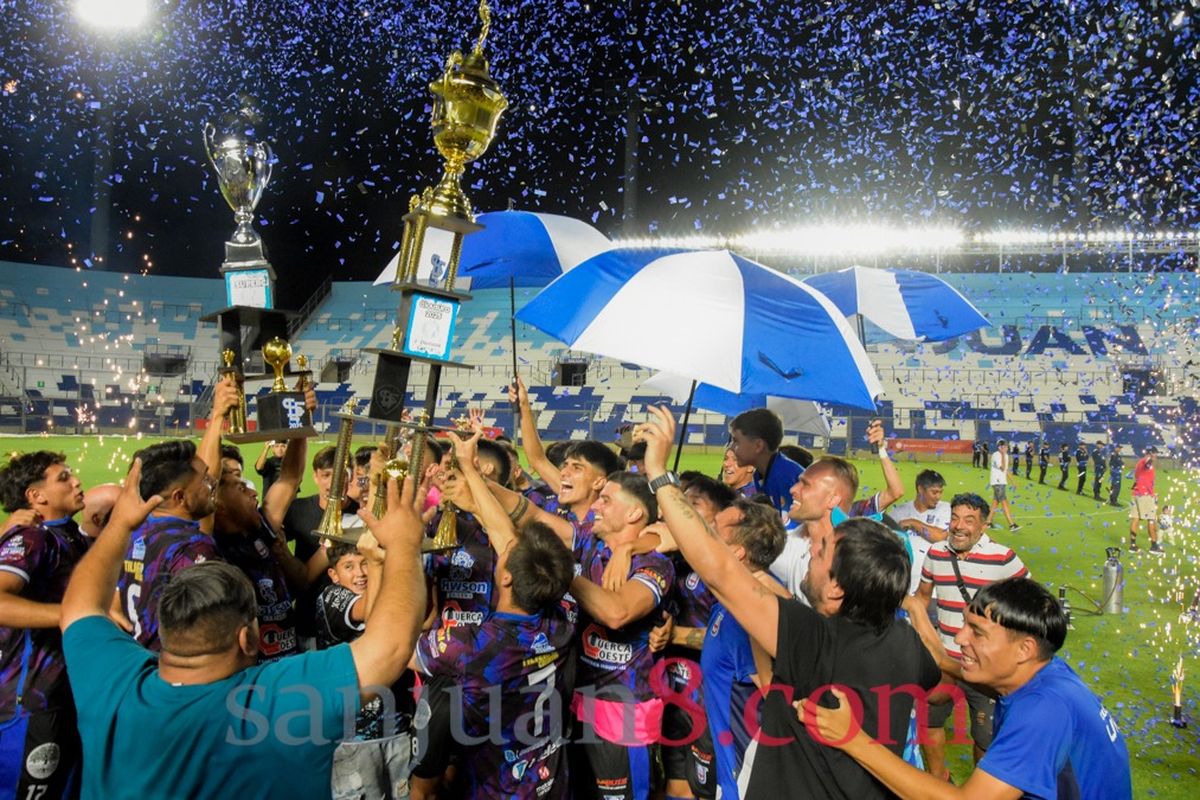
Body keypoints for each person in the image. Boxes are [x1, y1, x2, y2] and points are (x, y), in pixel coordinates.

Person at [59, 460, 428, 800]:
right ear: (247, 638)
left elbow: (79, 606)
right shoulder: (282, 699)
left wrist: (120, 525)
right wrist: (404, 544)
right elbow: (391, 647)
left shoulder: (114, 683)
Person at [636, 406, 940, 800]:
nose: (811, 550)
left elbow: (719, 570)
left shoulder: (811, 638)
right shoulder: (903, 640)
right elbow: (935, 681)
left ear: (837, 589)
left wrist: (659, 474)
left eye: (821, 552)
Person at [800, 577, 1132, 800]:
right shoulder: (1048, 674)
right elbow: (972, 675)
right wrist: (935, 647)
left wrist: (852, 739)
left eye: (977, 632)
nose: (960, 638)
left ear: (1024, 649)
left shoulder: (1042, 712)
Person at [412, 435, 576, 798]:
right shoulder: (561, 619)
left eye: (506, 556)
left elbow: (400, 653)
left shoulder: (470, 646)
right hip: (548, 783)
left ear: (506, 578)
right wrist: (472, 475)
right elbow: (506, 538)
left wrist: (395, 553)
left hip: (495, 788)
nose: (503, 549)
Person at [566, 472, 675, 800]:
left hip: (625, 714)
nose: (595, 505)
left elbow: (617, 613)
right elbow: (529, 515)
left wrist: (561, 572)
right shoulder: (590, 542)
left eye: (606, 499)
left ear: (634, 513)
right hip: (579, 701)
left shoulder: (654, 563)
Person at [914, 493, 1030, 772]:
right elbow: (922, 598)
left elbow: (1030, 603)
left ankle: (980, 787)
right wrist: (920, 637)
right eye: (954, 518)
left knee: (985, 738)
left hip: (985, 666)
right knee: (928, 720)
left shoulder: (1002, 558)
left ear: (983, 525)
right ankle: (937, 779)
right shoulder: (936, 553)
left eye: (969, 520)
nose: (958, 526)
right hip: (944, 661)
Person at [0, 450, 89, 798]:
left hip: (65, 696)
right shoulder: (31, 538)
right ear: (36, 495)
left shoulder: (72, 536)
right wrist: (73, 615)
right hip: (31, 705)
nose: (76, 481)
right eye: (64, 478)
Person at [698, 501, 789, 799]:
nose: (705, 532)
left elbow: (775, 696)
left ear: (736, 553)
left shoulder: (749, 617)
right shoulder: (737, 598)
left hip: (744, 775)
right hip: (731, 769)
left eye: (714, 529)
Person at [317, 538, 416, 799]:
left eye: (364, 563)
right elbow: (371, 616)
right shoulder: (331, 597)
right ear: (333, 574)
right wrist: (376, 564)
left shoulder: (389, 593)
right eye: (349, 566)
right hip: (353, 739)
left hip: (398, 728)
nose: (360, 573)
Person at [727, 407, 804, 513]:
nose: (731, 447)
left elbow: (786, 522)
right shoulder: (761, 473)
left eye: (736, 441)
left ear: (758, 446)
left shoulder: (784, 478)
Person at [890, 469, 951, 543]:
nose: (938, 497)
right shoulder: (899, 512)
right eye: (934, 492)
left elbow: (940, 537)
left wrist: (912, 522)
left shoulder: (945, 508)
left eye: (940, 492)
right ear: (920, 489)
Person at [1129, 447, 1162, 554]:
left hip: (1136, 494)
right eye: (1155, 453)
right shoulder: (1146, 462)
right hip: (1144, 496)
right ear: (1150, 454)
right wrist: (1150, 458)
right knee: (1151, 519)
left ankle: (1132, 545)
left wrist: (1152, 492)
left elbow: (1141, 479)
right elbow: (1148, 463)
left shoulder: (1140, 463)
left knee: (1135, 519)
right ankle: (1154, 546)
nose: (1156, 456)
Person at [987, 441, 1020, 531]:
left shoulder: (1006, 456)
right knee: (1004, 502)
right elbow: (1002, 467)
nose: (1007, 448)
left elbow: (1006, 470)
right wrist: (1002, 455)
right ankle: (1012, 525)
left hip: (1002, 482)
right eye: (1005, 447)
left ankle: (988, 522)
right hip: (997, 482)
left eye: (1007, 447)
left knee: (995, 502)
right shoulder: (996, 455)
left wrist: (1013, 481)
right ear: (1000, 447)